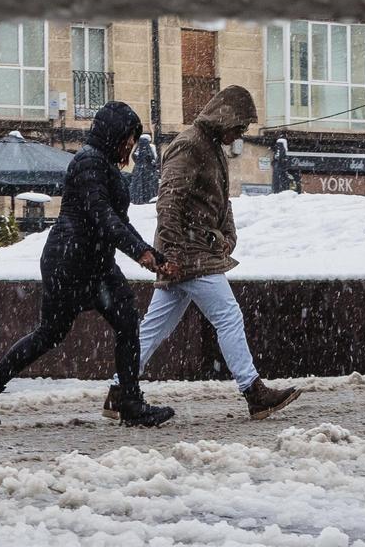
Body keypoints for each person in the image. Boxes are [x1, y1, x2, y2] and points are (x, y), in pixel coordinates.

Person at [0, 102, 179, 429]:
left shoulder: (101, 162)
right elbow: (103, 217)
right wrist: (141, 254)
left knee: (118, 323)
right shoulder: (89, 162)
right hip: (73, 260)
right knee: (66, 330)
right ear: (115, 134)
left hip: (90, 259)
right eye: (129, 139)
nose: (131, 147)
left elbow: (118, 220)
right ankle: (128, 402)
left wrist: (150, 253)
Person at [102, 86, 301, 421]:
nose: (241, 135)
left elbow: (221, 200)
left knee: (154, 327)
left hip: (189, 252)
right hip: (190, 254)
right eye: (239, 127)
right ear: (224, 118)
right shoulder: (190, 145)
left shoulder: (209, 146)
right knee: (228, 317)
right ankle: (254, 392)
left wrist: (228, 235)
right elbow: (169, 202)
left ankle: (118, 391)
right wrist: (174, 254)